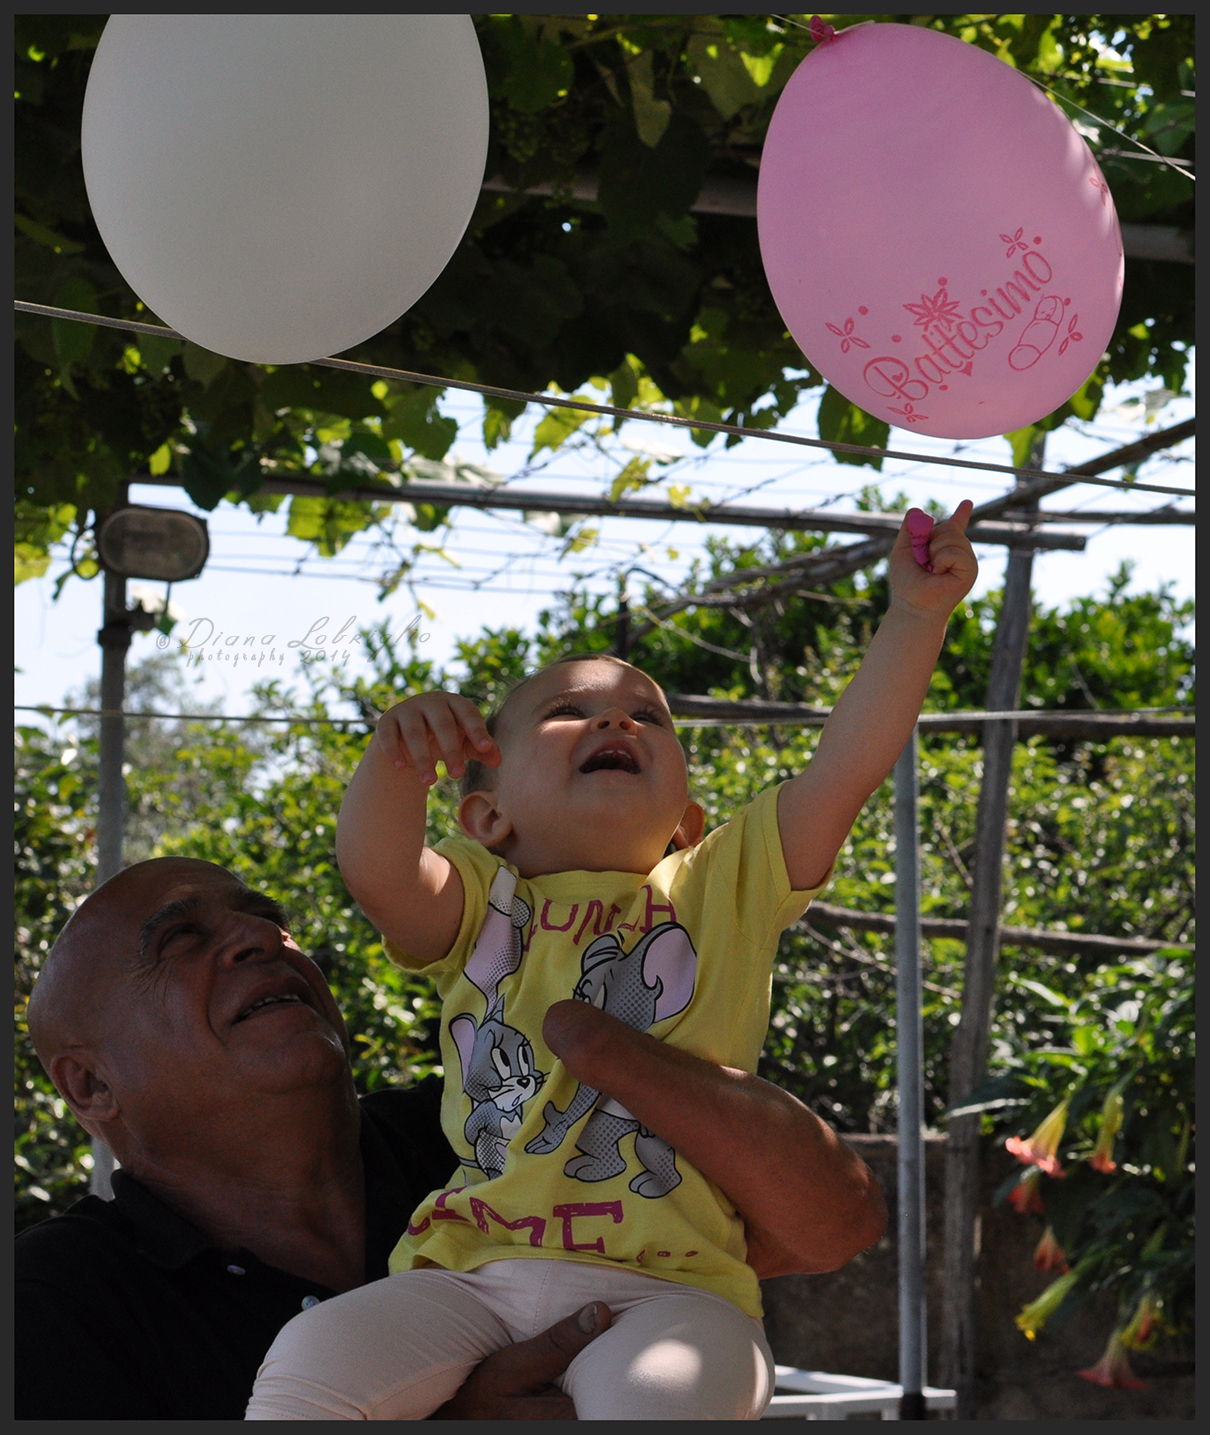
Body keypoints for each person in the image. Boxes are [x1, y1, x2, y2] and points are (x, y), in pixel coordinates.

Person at [246, 506, 977, 1420]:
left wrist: (916, 616)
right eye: (568, 712)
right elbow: (380, 872)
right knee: (309, 1360)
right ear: (487, 815)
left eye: (648, 715)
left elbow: (846, 766)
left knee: (666, 1401)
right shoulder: (481, 897)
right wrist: (395, 762)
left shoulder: (722, 885)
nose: (616, 717)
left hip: (674, 1292)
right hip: (468, 1278)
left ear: (685, 820)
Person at [17, 855, 886, 1421]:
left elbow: (837, 1222)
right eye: (183, 939)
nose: (263, 939)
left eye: (266, 917)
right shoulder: (48, 1302)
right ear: (89, 1083)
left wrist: (610, 1052)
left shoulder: (494, 1134)